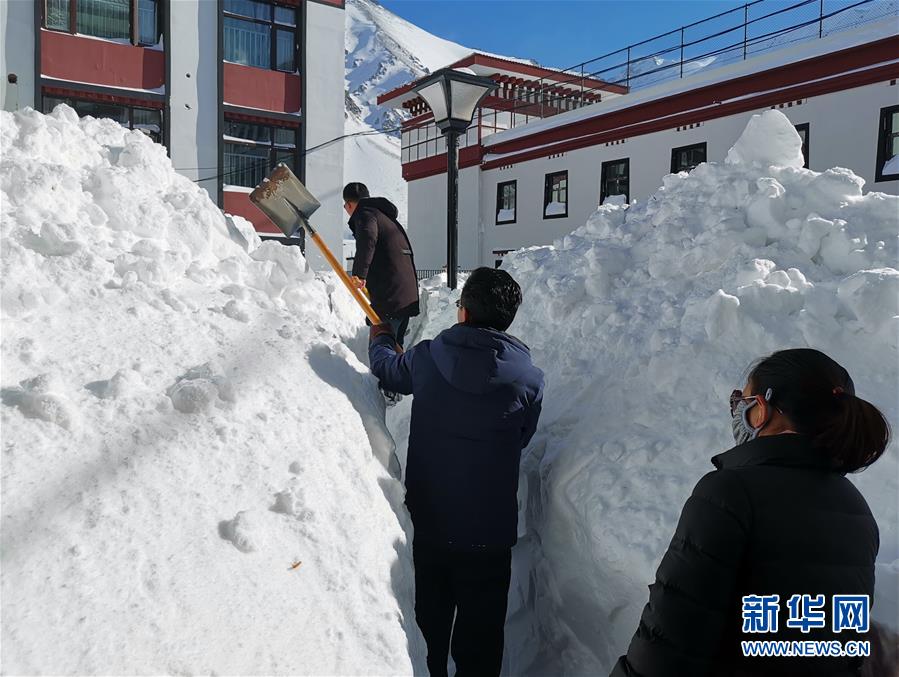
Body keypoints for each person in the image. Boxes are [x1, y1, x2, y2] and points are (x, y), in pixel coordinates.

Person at [611, 348, 891, 677]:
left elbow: (671, 637)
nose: (737, 410)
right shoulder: (857, 509)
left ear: (762, 410)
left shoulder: (729, 492)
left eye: (741, 400)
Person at [368, 267, 544, 677]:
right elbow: (522, 436)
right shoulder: (529, 380)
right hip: (489, 535)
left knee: (426, 634)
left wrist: (380, 339)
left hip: (430, 523)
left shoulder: (428, 357)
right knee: (480, 643)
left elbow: (389, 370)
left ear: (462, 312)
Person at [343, 182, 419, 349]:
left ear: (348, 205)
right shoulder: (384, 216)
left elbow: (367, 239)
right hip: (404, 294)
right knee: (395, 352)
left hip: (390, 296)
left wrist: (359, 275)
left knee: (382, 351)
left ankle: (385, 376)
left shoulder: (365, 213)